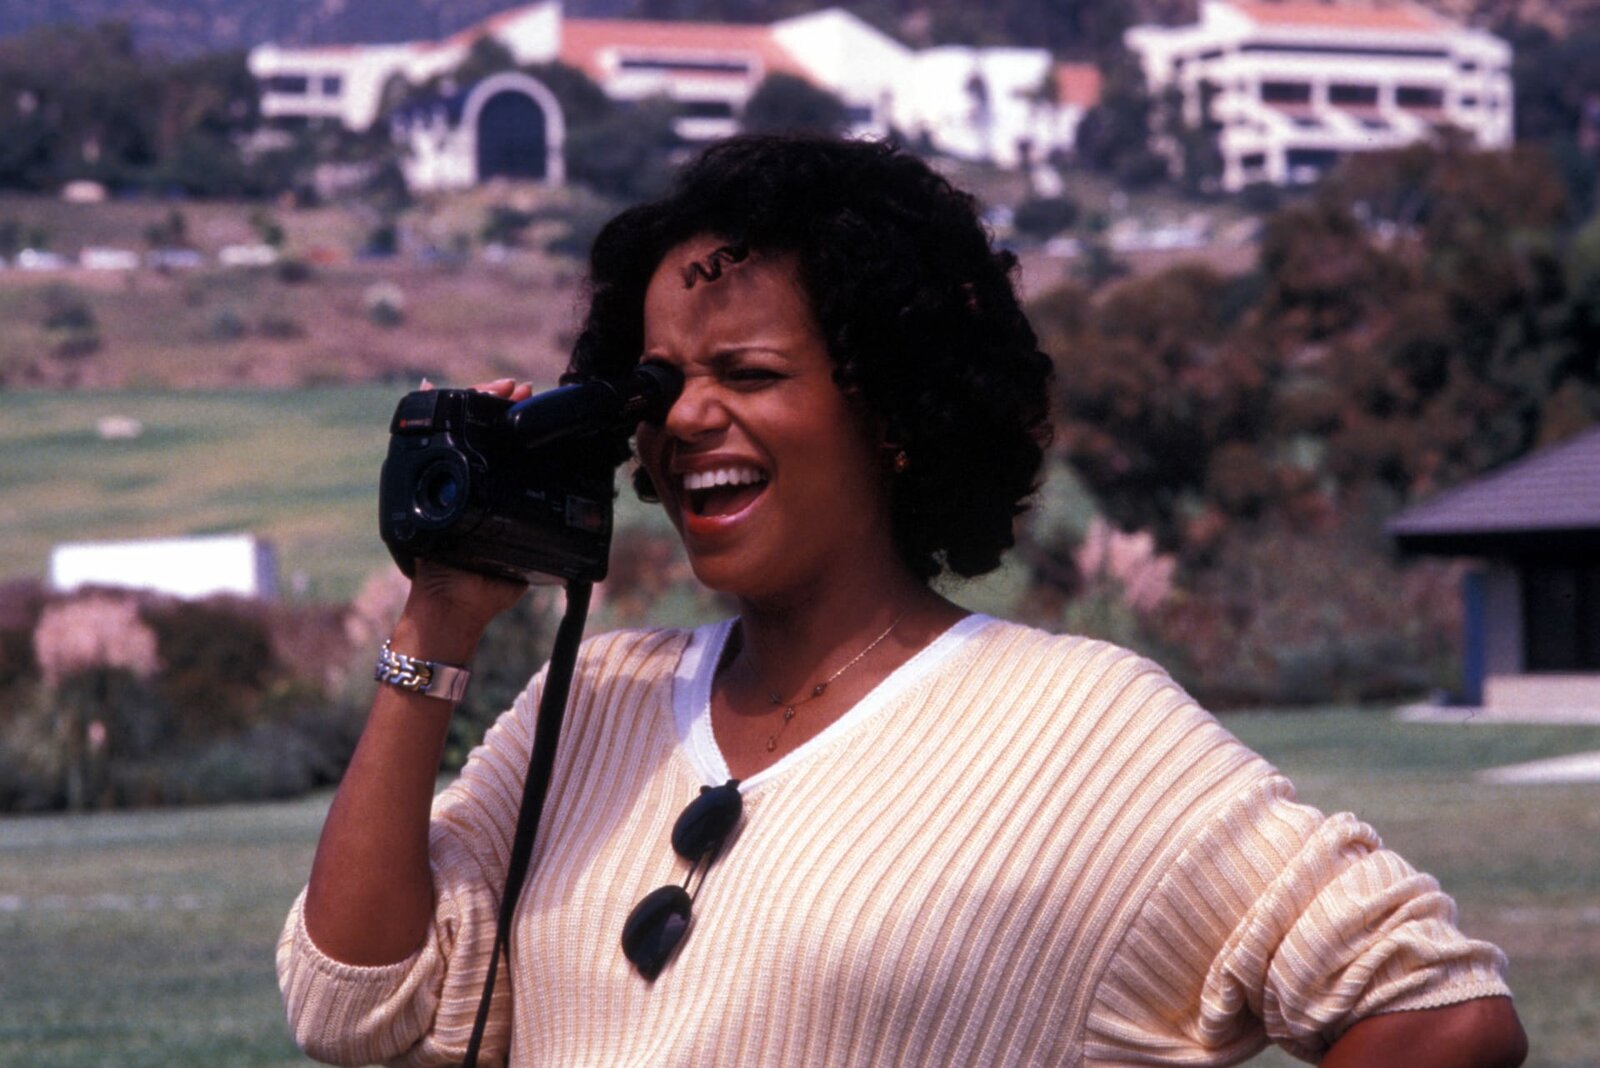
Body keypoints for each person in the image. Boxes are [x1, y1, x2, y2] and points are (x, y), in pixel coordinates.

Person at [278, 134, 1527, 1067]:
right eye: (656, 385)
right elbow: (354, 1003)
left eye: (748, 373)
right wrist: (438, 618)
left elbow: (1440, 1016)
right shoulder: (592, 701)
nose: (689, 417)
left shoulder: (1078, 724)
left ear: (891, 408)